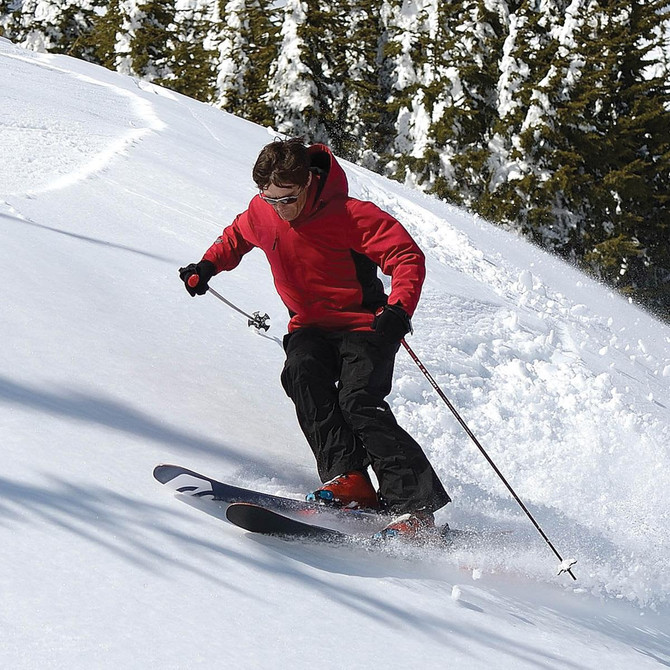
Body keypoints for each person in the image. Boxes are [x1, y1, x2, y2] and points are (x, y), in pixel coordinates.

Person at [179, 138, 450, 541]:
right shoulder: (264, 211)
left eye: (286, 199)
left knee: (358, 401)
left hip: (365, 324)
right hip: (308, 324)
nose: (278, 209)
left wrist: (399, 309)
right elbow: (237, 235)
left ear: (308, 182)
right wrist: (206, 265)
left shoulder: (350, 215)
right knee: (302, 375)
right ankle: (350, 479)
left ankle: (416, 508)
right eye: (268, 199)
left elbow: (406, 256)